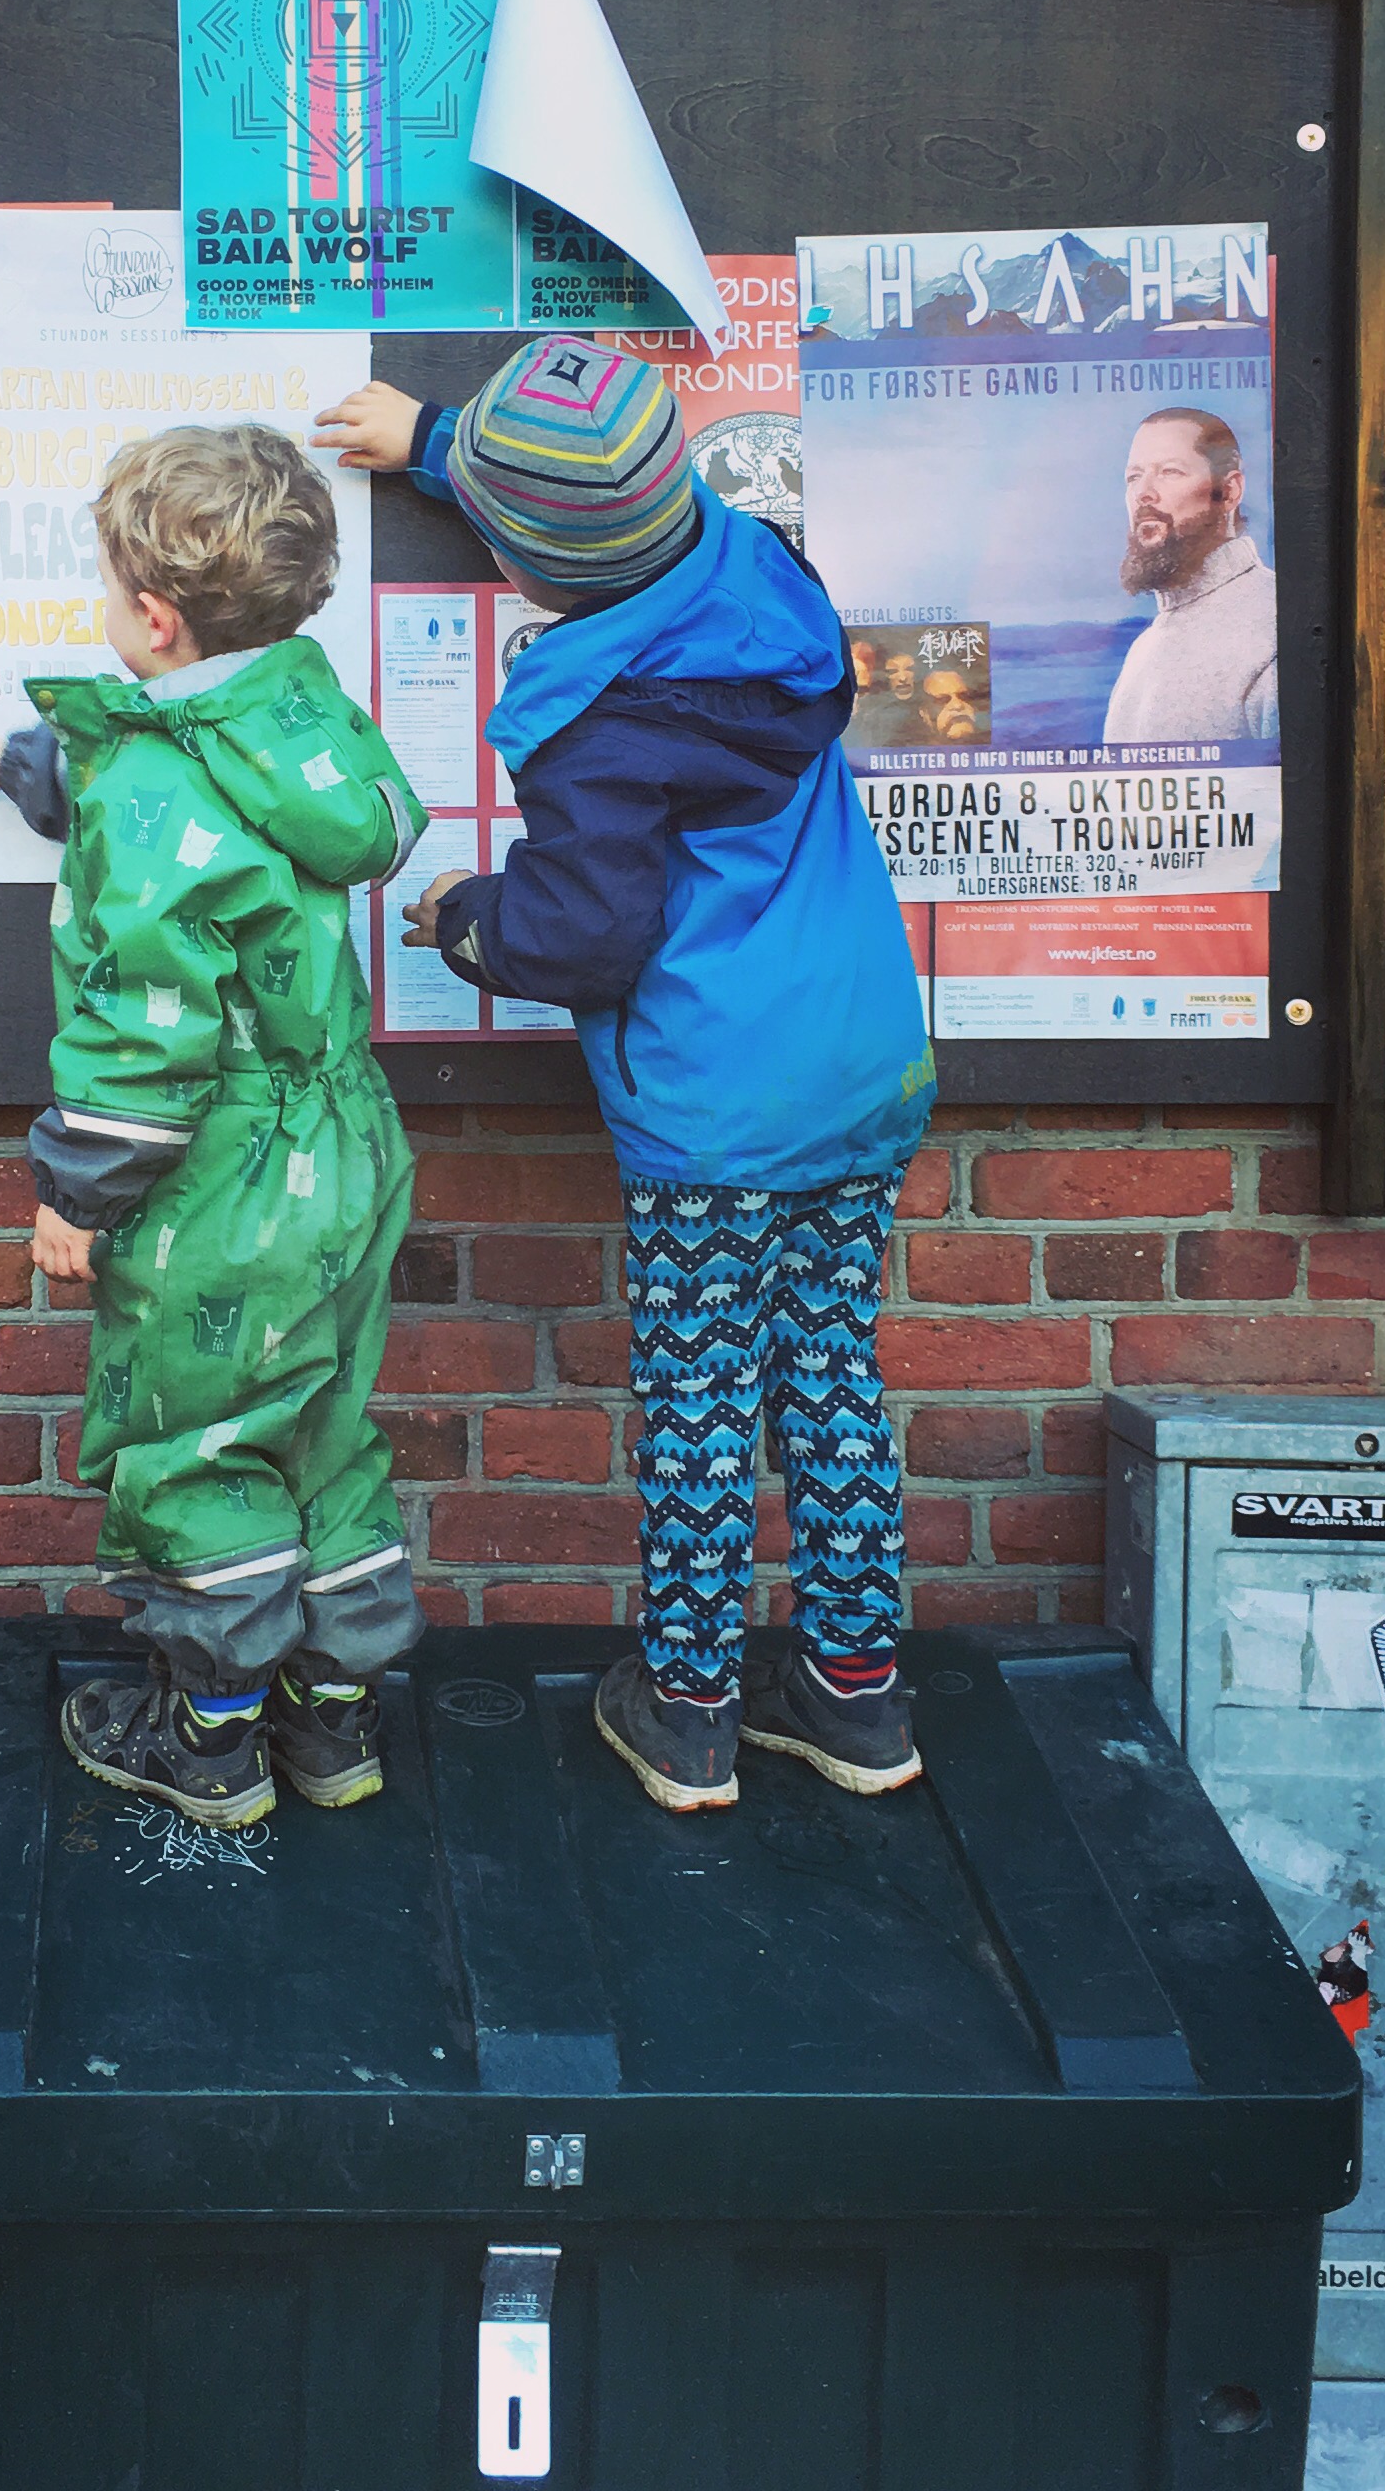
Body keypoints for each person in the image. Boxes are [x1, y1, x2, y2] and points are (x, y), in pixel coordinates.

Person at [317, 340, 937, 1815]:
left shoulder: (603, 729)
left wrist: (467, 915)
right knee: (831, 1377)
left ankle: (690, 1713)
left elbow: (584, 938)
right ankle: (858, 1698)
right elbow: (601, 503)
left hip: (717, 1112)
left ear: (533, 563)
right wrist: (438, 443)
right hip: (861, 1058)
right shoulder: (772, 577)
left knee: (705, 1405)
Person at [0, 424, 425, 1829]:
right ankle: (334, 1719)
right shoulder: (307, 720)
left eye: (108, 587)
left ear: (152, 618)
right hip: (348, 1146)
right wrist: (34, 763)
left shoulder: (155, 784)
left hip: (222, 1172)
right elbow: (214, 792)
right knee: (321, 1422)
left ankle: (209, 1737)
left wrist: (77, 1193)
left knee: (197, 1435)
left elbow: (148, 1018)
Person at [1100, 406, 1279, 744]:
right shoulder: (1144, 649)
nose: (1143, 493)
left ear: (1229, 492)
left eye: (1170, 471)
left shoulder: (1273, 630)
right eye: (1133, 477)